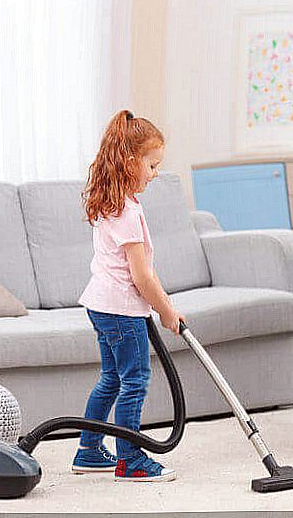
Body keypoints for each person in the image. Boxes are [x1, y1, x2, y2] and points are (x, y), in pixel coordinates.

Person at [73, 110, 185, 482]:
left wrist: (165, 303)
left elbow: (144, 274)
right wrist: (166, 311)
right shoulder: (128, 212)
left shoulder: (112, 202)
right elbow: (140, 276)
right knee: (135, 380)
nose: (155, 174)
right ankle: (131, 460)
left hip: (102, 305)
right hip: (120, 309)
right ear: (129, 161)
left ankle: (88, 451)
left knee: (112, 379)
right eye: (152, 165)